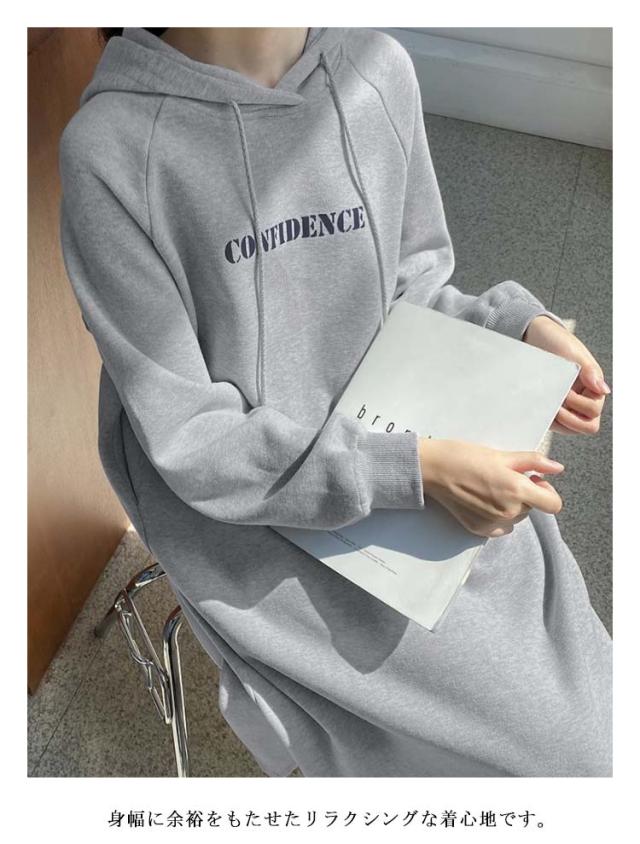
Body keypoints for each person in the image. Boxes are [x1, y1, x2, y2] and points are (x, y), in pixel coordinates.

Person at [58, 27, 612, 777]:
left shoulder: (377, 69)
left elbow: (410, 282)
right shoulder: (112, 152)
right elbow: (193, 440)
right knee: (552, 757)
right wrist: (413, 471)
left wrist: (515, 325)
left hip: (412, 441)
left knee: (590, 705)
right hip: (249, 510)